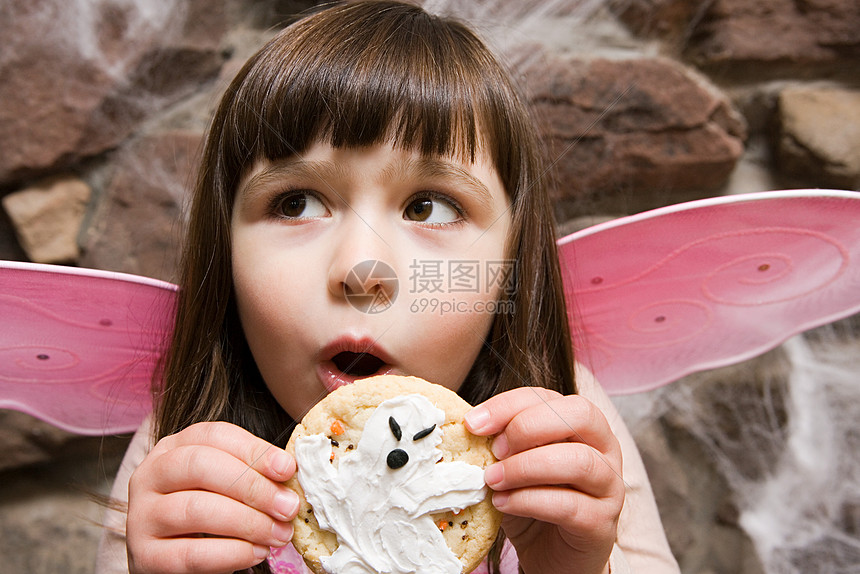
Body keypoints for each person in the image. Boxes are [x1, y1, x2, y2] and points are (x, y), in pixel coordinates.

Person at [98, 1, 680, 573]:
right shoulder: (183, 449)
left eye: (428, 207)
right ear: (223, 253)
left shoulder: (564, 423)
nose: (361, 269)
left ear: (510, 262)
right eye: (295, 202)